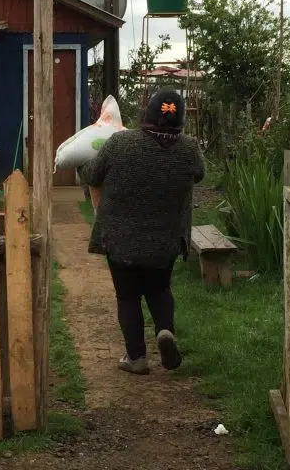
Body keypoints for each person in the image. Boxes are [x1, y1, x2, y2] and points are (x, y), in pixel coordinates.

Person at [80, 88, 205, 374]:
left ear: (146, 113)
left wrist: (82, 161)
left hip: (120, 238)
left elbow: (92, 175)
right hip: (166, 239)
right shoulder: (189, 149)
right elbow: (199, 174)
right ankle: (165, 331)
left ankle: (136, 357)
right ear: (180, 119)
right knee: (160, 289)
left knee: (127, 296)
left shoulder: (120, 143)